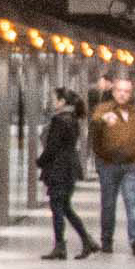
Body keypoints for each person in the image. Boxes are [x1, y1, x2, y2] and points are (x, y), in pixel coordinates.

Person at [83, 80, 135, 259]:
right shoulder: (103, 110)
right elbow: (93, 127)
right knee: (108, 203)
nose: (123, 94)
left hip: (130, 165)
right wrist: (102, 121)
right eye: (119, 91)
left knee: (132, 201)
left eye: (127, 91)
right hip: (108, 164)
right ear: (113, 92)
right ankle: (106, 240)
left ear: (131, 94)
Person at [36, 86, 88, 259]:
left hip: (59, 168)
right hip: (68, 168)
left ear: (62, 101)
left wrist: (40, 161)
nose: (52, 102)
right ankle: (87, 241)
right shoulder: (72, 118)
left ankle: (61, 245)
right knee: (64, 207)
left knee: (58, 207)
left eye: (54, 99)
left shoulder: (60, 120)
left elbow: (53, 147)